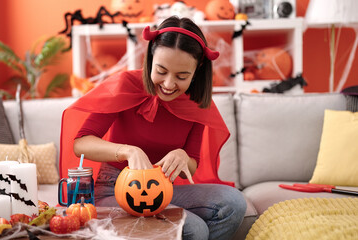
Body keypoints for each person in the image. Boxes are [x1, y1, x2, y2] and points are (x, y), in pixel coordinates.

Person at [69, 16, 246, 240]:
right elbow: (81, 143)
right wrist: (128, 151)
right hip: (116, 188)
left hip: (161, 189)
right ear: (150, 57)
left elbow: (191, 165)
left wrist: (182, 157)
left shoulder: (198, 103)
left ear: (197, 70)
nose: (169, 84)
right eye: (161, 71)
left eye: (182, 76)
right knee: (194, 229)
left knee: (233, 203)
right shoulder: (126, 85)